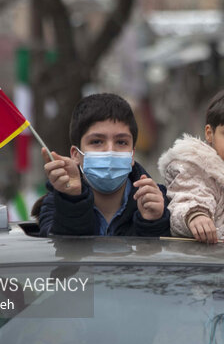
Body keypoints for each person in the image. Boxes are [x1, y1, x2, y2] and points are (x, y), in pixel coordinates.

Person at [37, 93, 170, 237]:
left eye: (121, 142)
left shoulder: (160, 201)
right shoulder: (55, 205)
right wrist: (72, 200)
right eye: (96, 142)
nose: (110, 150)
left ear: (132, 155)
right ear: (76, 154)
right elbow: (64, 253)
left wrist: (153, 223)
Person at [158, 88, 224, 243]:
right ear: (209, 133)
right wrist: (196, 216)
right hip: (200, 261)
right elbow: (187, 198)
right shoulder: (192, 167)